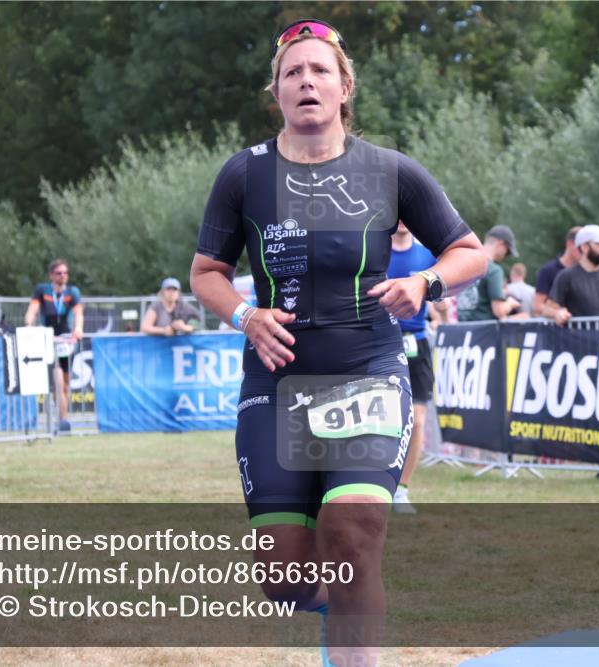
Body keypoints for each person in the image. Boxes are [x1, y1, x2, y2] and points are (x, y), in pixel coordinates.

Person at [189, 18, 487, 667]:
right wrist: (246, 315)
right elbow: (205, 272)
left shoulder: (389, 170)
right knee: (285, 579)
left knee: (354, 533)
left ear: (344, 85)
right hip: (276, 381)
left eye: (320, 70)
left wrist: (428, 284)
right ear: (276, 90)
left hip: (368, 371)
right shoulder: (244, 175)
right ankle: (354, 605)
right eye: (292, 72)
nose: (306, 82)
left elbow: (471, 251)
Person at [386, 221, 439, 514]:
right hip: (379, 341)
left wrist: (441, 306)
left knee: (417, 420)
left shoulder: (426, 256)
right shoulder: (376, 252)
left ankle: (401, 491)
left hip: (416, 343)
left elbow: (441, 296)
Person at [25, 258, 84, 433]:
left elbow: (78, 313)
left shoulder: (72, 292)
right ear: (51, 275)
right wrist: (29, 325)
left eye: (65, 273)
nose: (63, 276)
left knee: (65, 384)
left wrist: (78, 328)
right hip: (46, 339)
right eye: (59, 273)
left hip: (65, 340)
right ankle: (64, 421)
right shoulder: (42, 290)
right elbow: (32, 310)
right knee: (57, 379)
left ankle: (62, 417)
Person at [457, 225, 521, 321]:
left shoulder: (464, 262)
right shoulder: (494, 270)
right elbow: (499, 310)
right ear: (501, 244)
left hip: (457, 327)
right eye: (507, 251)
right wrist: (510, 303)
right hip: (481, 330)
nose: (506, 255)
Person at [533, 226, 581, 319]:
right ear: (570, 244)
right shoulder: (548, 270)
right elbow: (538, 306)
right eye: (580, 246)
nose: (584, 251)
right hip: (556, 329)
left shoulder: (586, 271)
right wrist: (556, 313)